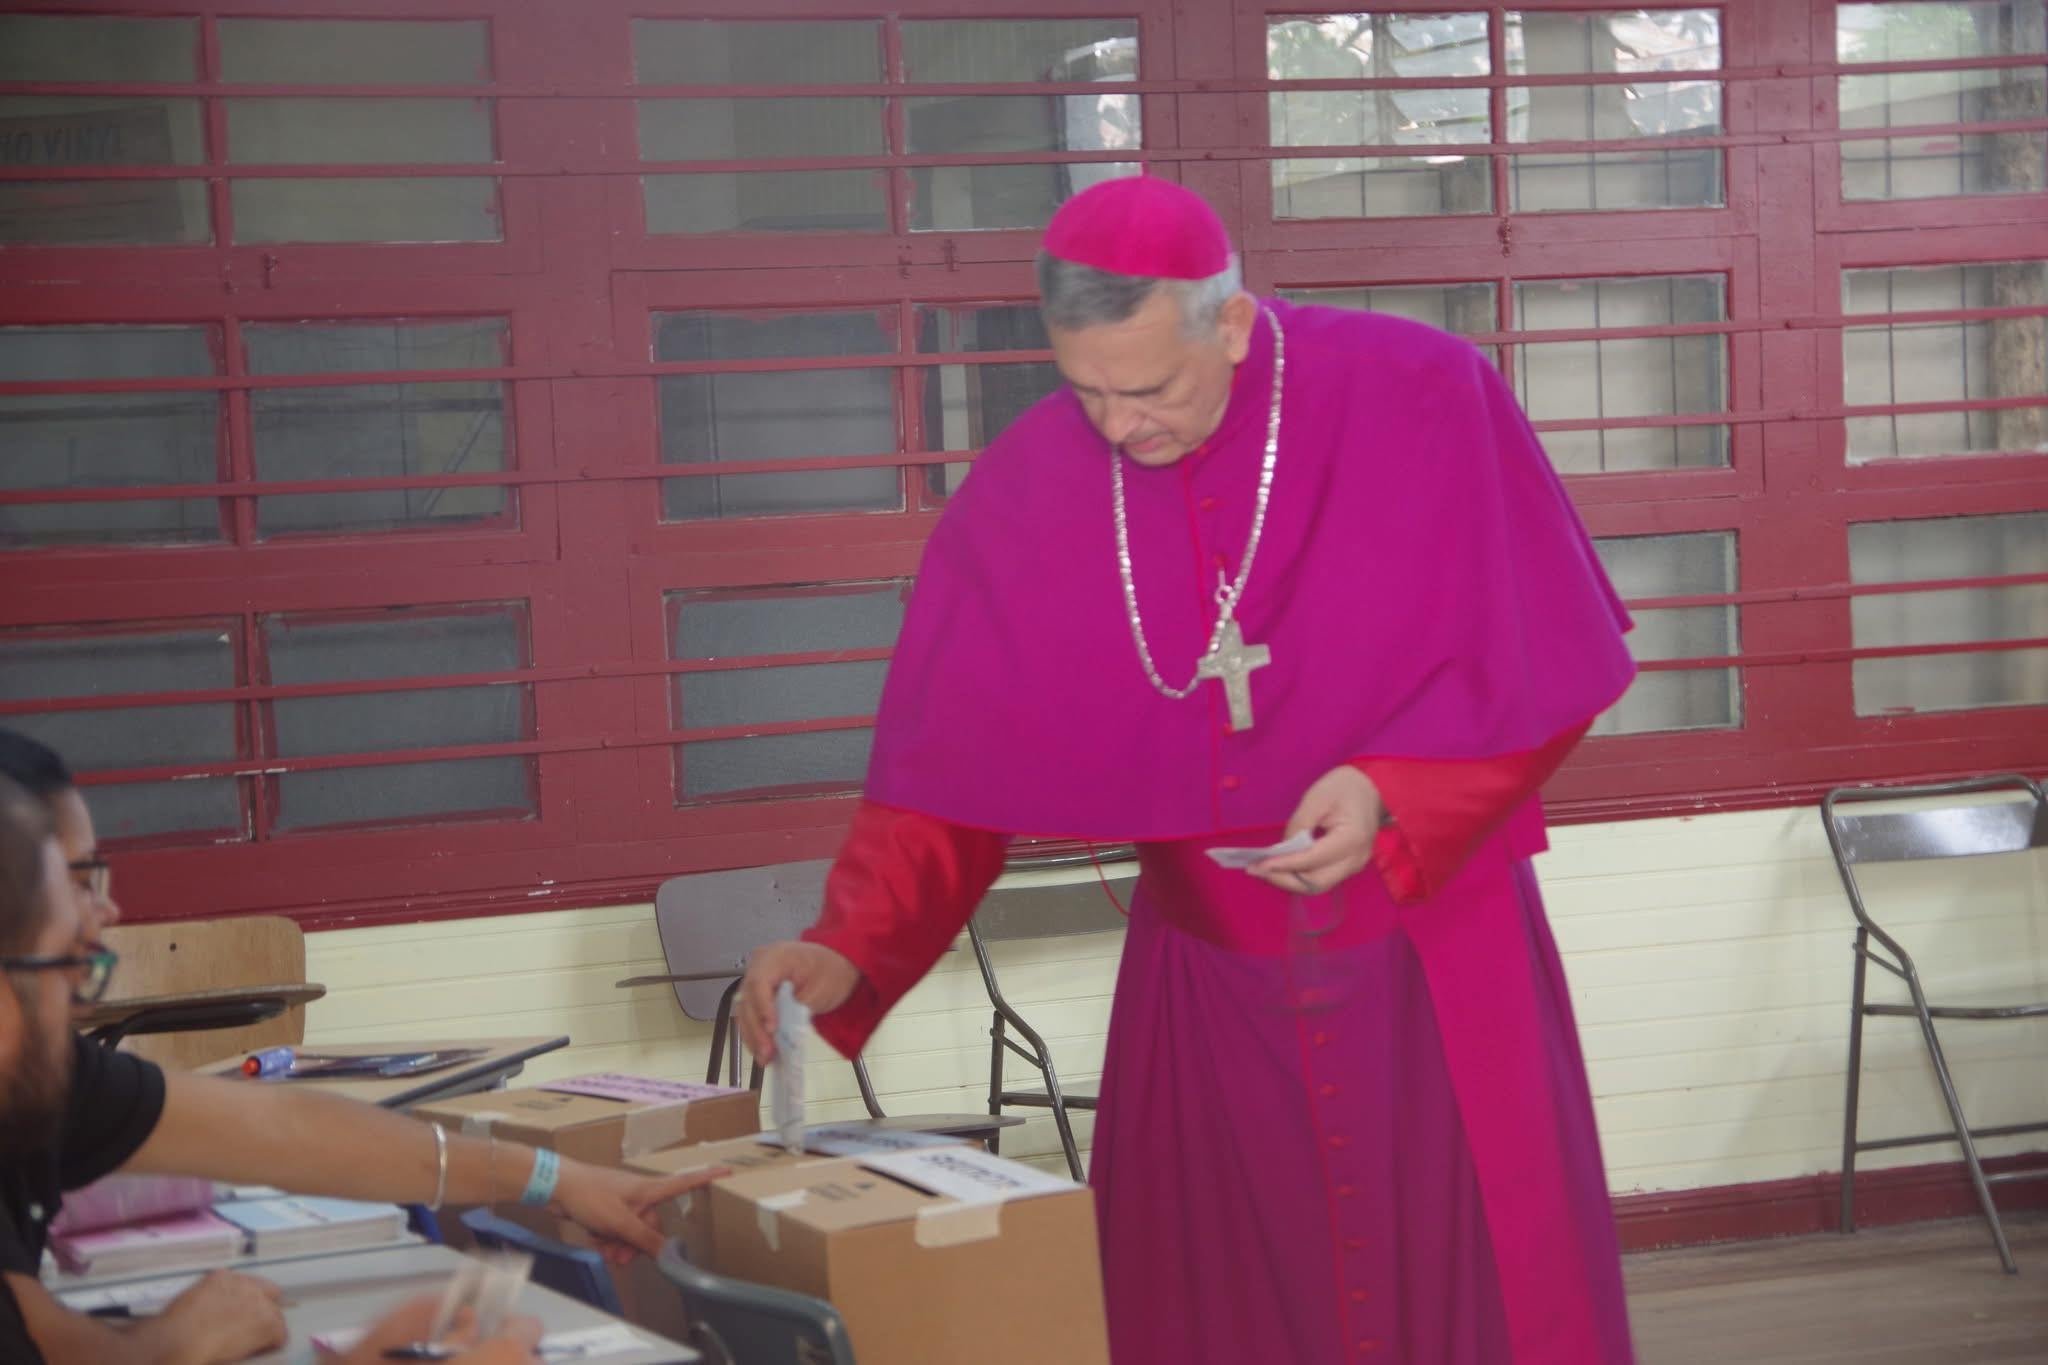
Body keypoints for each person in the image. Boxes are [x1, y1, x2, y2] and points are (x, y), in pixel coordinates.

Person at [736, 177, 1639, 1363]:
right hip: (1204, 992)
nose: (1118, 428)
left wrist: (1392, 791)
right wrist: (847, 946)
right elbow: (945, 776)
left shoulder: (1421, 391)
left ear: (1228, 320)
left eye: (1150, 388)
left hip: (1431, 959)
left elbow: (1545, 656)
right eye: (1084, 390)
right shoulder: (1031, 485)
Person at [0, 758, 724, 1365]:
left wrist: (555, 1176)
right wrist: (166, 1343)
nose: (108, 915)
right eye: (71, 958)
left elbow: (279, 1129)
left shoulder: (38, 1069)